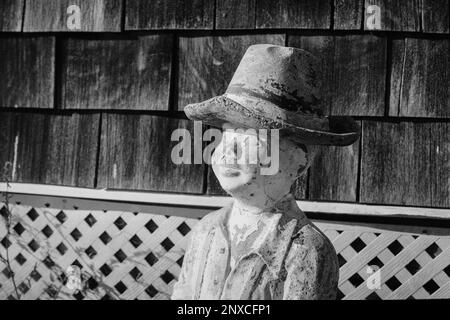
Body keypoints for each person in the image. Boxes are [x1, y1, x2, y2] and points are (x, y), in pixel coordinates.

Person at [171, 44, 360, 300]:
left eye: (250, 139)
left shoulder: (305, 250)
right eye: (226, 135)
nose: (229, 150)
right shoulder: (206, 230)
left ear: (299, 161)